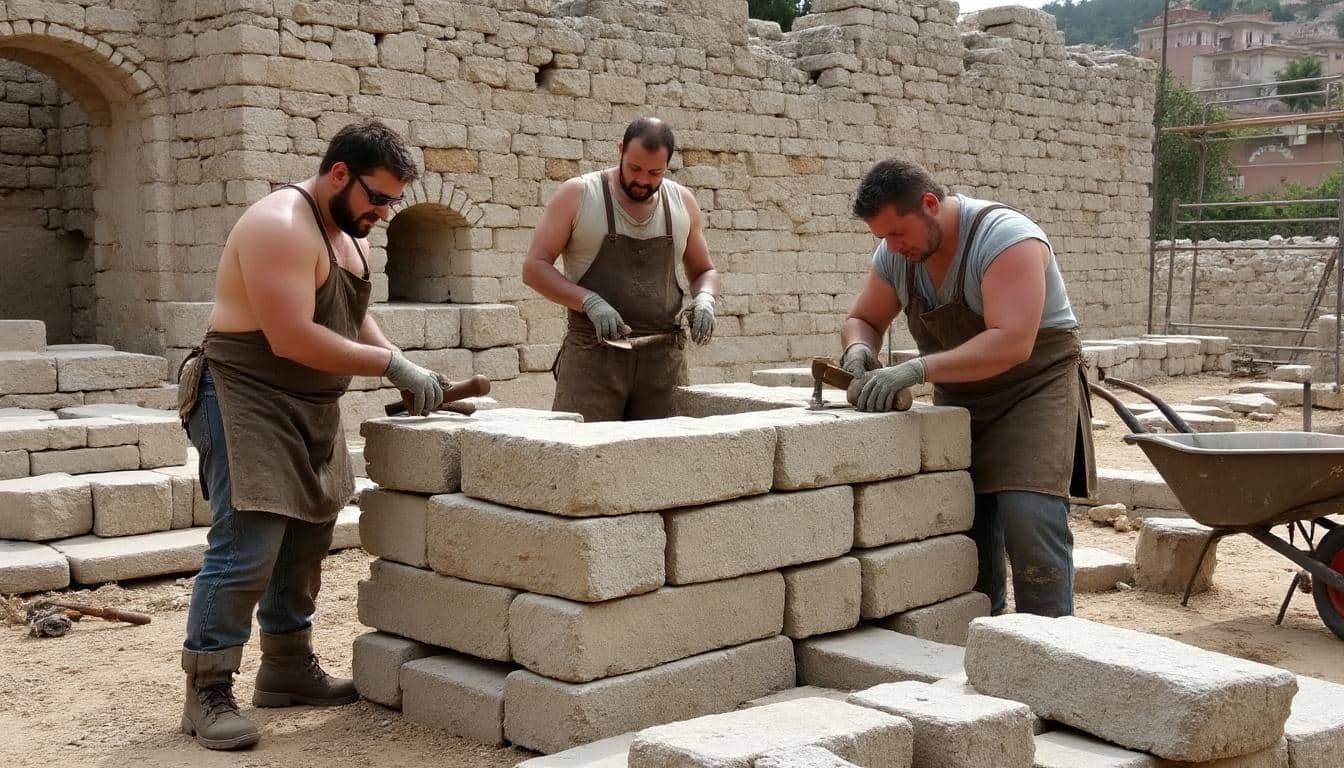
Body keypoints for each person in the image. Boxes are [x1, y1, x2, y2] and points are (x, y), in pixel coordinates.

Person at [174, 119, 444, 750]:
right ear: (339, 174)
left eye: (392, 202)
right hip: (244, 397)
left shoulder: (352, 234)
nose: (382, 211)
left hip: (312, 402)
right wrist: (387, 366)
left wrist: (401, 361)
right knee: (248, 545)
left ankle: (287, 668)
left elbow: (352, 313)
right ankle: (206, 690)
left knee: (307, 541)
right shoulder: (280, 225)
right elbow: (291, 336)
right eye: (375, 196)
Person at [839, 159, 1095, 618]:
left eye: (897, 234)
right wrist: (857, 350)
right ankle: (982, 643)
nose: (892, 248)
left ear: (930, 205)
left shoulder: (1005, 238)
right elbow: (864, 319)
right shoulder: (898, 257)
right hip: (963, 397)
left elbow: (1013, 342)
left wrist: (917, 370)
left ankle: (1052, 649)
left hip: (1033, 391)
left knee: (1029, 517)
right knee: (966, 531)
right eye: (882, 238)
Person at [521, 117, 719, 421]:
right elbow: (534, 268)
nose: (643, 180)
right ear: (620, 151)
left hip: (662, 363)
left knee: (667, 459)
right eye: (635, 168)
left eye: (655, 173)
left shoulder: (682, 203)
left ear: (667, 165)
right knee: (583, 458)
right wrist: (590, 302)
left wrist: (705, 298)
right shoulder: (579, 195)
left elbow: (704, 271)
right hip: (593, 357)